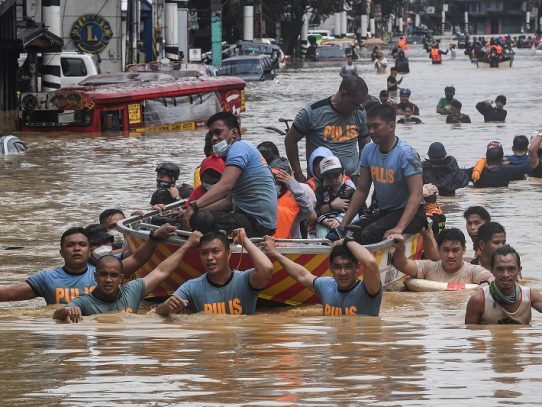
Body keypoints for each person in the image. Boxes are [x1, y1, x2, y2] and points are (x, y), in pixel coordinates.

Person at [0, 224, 176, 305]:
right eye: (70, 245)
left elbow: (137, 259)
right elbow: (8, 294)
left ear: (89, 250)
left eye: (82, 245)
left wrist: (154, 237)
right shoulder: (47, 279)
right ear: (61, 252)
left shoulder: (105, 274)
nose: (76, 249)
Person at [53, 232, 203, 322]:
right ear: (95, 276)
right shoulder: (84, 302)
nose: (108, 280)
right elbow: (58, 315)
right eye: (103, 274)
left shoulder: (133, 290)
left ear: (121, 278)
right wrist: (66, 312)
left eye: (113, 275)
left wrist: (187, 245)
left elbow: (161, 271)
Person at [340, 104, 426, 244]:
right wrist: (343, 223)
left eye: (376, 126)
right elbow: (362, 189)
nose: (371, 131)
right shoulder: (368, 150)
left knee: (369, 234)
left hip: (412, 214)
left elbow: (416, 194)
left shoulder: (406, 154)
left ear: (391, 126)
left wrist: (399, 227)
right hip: (385, 212)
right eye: (369, 127)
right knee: (355, 230)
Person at [182, 112, 277, 238]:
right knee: (198, 215)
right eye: (211, 134)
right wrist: (192, 211)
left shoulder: (239, 148)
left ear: (234, 133)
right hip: (253, 220)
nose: (214, 138)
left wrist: (193, 207)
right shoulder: (238, 150)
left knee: (201, 219)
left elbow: (225, 185)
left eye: (218, 132)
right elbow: (228, 202)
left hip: (258, 224)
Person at [155, 228, 274, 316]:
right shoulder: (192, 287)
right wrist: (166, 307)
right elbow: (157, 312)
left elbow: (267, 269)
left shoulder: (245, 280)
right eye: (204, 253)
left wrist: (244, 240)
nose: (209, 257)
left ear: (228, 253)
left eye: (215, 251)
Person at [262, 236, 382, 316]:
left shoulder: (369, 289)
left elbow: (370, 263)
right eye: (337, 267)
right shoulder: (326, 286)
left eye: (348, 267)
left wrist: (345, 241)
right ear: (330, 268)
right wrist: (275, 254)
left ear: (357, 268)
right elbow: (302, 275)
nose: (343, 272)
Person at [285, 75, 369, 184]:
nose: (355, 110)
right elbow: (290, 141)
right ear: (343, 94)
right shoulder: (312, 112)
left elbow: (365, 145)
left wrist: (362, 174)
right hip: (320, 182)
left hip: (351, 180)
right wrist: (299, 175)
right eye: (353, 104)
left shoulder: (360, 113)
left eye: (359, 105)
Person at [465, 245, 542, 324]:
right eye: (500, 269)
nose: (505, 274)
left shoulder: (530, 296)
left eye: (511, 269)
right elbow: (471, 332)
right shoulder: (479, 300)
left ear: (519, 270)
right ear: (491, 270)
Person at [391, 228, 494, 284]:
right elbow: (401, 264)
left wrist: (485, 285)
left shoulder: (473, 271)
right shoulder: (429, 267)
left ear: (464, 250)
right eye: (446, 250)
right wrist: (400, 248)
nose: (450, 255)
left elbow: (491, 279)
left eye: (455, 250)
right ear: (439, 250)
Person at [269, 157, 315, 239]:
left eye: (283, 177)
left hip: (291, 244)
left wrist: (292, 183)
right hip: (268, 242)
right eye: (275, 177)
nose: (277, 181)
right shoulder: (265, 193)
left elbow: (308, 209)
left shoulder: (298, 193)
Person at [314, 156, 357, 240]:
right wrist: (325, 221)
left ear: (343, 174)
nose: (333, 180)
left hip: (345, 220)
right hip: (325, 221)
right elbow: (316, 210)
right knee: (323, 239)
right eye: (328, 177)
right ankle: (324, 250)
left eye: (336, 176)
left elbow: (358, 210)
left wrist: (339, 219)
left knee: (349, 234)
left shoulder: (350, 190)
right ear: (322, 177)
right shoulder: (320, 190)